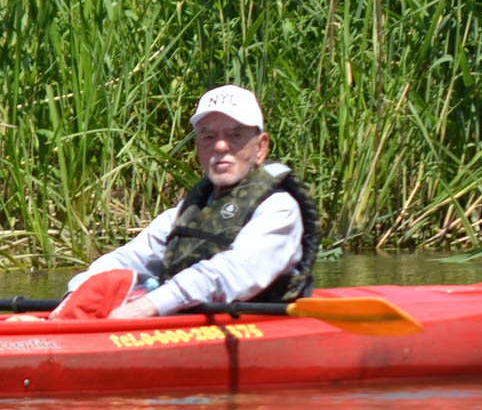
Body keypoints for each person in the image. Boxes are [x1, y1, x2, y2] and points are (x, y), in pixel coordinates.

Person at [59, 84, 319, 320]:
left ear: (260, 147)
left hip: (260, 323)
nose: (220, 146)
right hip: (189, 317)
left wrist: (149, 305)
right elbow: (127, 258)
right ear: (197, 147)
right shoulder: (189, 210)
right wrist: (74, 296)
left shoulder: (279, 209)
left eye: (235, 135)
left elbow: (233, 272)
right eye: (208, 136)